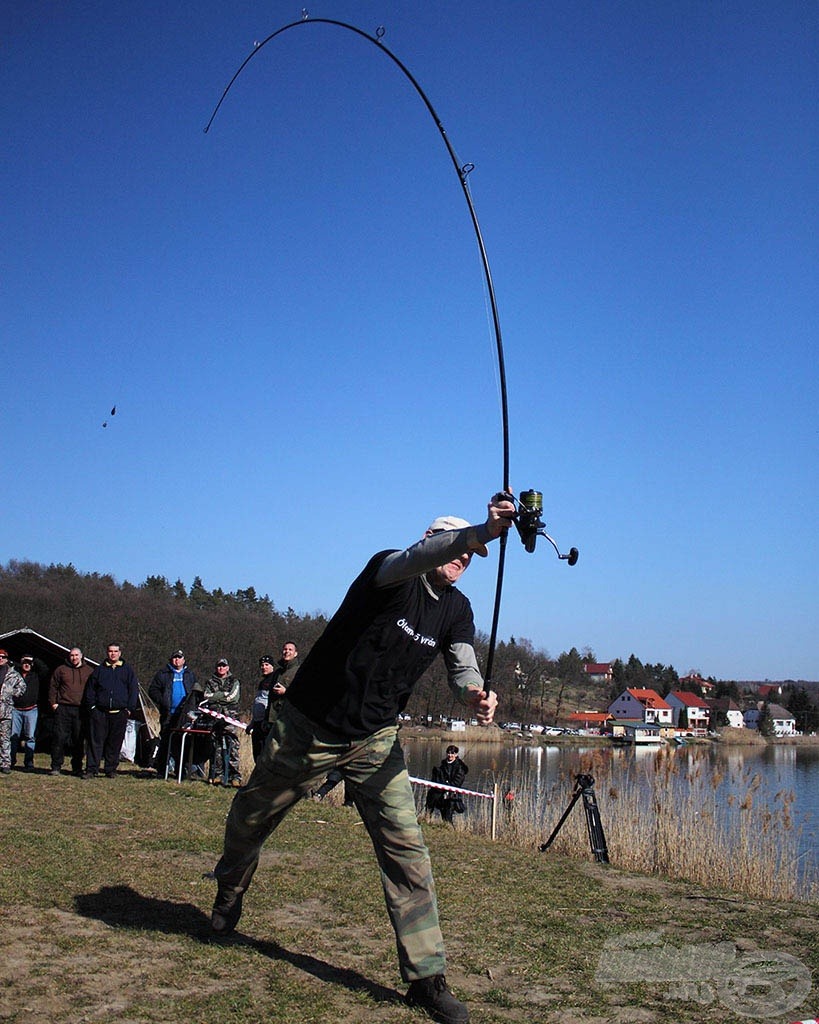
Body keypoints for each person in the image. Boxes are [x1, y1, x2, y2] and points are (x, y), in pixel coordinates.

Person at [210, 495, 514, 1024]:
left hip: (376, 739)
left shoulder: (457, 609)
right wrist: (480, 532)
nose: (463, 560)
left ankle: (426, 977)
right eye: (456, 546)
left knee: (406, 849)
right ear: (429, 539)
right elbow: (419, 558)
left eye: (470, 558)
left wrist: (475, 696)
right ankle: (230, 890)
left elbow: (463, 667)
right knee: (251, 818)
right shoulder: (389, 571)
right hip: (310, 727)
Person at [83, 643, 139, 778]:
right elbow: (90, 690)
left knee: (114, 743)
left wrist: (129, 709)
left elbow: (133, 691)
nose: (113, 654)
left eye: (115, 651)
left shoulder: (127, 671)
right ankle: (91, 769)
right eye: (110, 651)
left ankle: (110, 769)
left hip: (119, 713)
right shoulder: (99, 670)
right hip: (100, 712)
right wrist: (92, 707)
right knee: (95, 742)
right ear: (107, 653)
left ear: (120, 653)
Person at [148, 649, 202, 778]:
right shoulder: (163, 674)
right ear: (171, 660)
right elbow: (153, 690)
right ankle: (161, 770)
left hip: (184, 715)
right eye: (175, 658)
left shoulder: (190, 675)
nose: (177, 660)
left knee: (182, 743)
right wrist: (163, 701)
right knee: (166, 741)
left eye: (179, 658)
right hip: (168, 714)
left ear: (184, 660)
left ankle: (181, 771)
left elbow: (197, 692)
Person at [48, 647, 93, 776]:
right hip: (63, 708)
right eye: (72, 655)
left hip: (80, 709)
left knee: (78, 739)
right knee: (59, 738)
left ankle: (77, 767)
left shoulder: (89, 671)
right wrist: (53, 703)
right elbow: (53, 687)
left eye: (76, 655)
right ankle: (56, 766)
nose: (74, 658)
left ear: (81, 656)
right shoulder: (61, 670)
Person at [201, 657, 242, 787]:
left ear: (228, 668)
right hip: (214, 718)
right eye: (219, 666)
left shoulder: (234, 681)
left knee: (233, 745)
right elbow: (207, 696)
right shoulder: (210, 681)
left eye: (224, 666)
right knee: (215, 746)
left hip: (231, 717)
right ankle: (216, 774)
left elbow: (233, 698)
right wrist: (223, 695)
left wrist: (217, 697)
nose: (221, 668)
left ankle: (234, 776)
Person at [11, 654, 45, 771]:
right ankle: (11, 760)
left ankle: (29, 762)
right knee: (13, 737)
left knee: (30, 737)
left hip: (31, 710)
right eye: (24, 662)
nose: (26, 664)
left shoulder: (36, 675)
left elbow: (44, 669)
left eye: (29, 663)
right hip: (16, 710)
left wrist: (33, 659)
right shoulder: (15, 674)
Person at [426, 745, 469, 823]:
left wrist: (447, 785)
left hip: (452, 795)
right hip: (440, 793)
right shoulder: (443, 764)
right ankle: (427, 819)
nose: (450, 755)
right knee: (431, 798)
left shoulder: (460, 767)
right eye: (448, 753)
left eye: (452, 753)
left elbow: (457, 783)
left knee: (447, 818)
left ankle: (450, 831)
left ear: (456, 754)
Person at [0, 650, 26, 775]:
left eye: (3, 657)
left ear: (7, 659)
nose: (0, 659)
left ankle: (5, 763)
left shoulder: (13, 674)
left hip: (5, 712)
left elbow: (22, 687)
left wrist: (12, 694)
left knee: (4, 739)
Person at [263, 641, 300, 729]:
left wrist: (286, 692)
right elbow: (270, 698)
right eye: (285, 649)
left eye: (290, 650)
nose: (287, 651)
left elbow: (302, 695)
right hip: (272, 719)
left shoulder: (299, 672)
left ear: (295, 654)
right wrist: (266, 718)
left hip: (288, 720)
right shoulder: (277, 673)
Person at [246, 654, 275, 762]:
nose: (264, 667)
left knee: (265, 755)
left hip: (266, 723)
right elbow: (259, 702)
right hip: (257, 723)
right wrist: (252, 723)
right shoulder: (262, 682)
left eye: (267, 665)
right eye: (262, 665)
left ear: (272, 666)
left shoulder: (274, 679)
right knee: (257, 754)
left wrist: (267, 720)